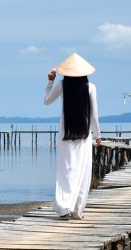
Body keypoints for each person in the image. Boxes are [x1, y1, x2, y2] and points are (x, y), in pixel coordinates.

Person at [44, 53, 101, 220]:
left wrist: (50, 80)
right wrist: (98, 135)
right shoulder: (91, 87)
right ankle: (77, 210)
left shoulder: (62, 85)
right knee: (83, 172)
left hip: (65, 134)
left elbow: (46, 101)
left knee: (66, 172)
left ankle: (63, 207)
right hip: (84, 136)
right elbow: (94, 115)